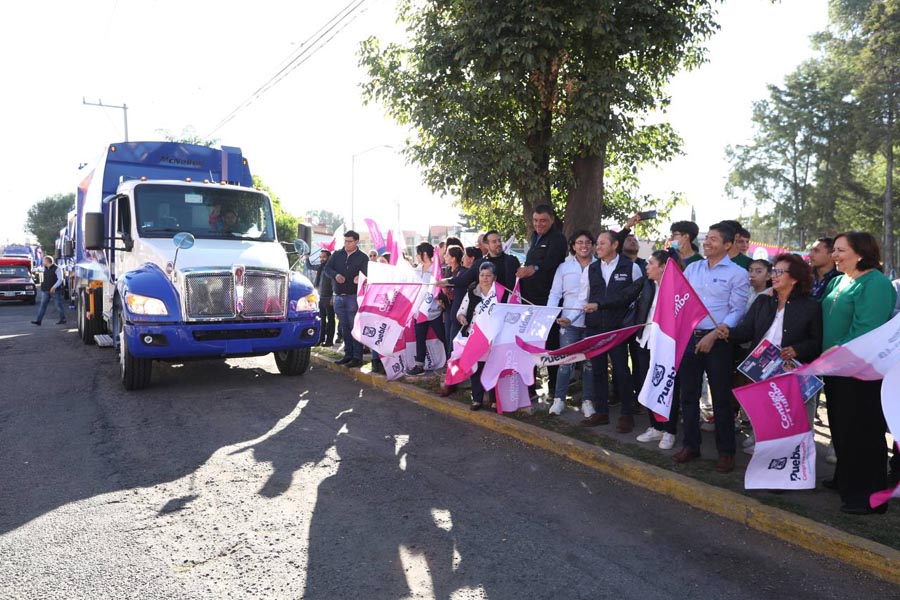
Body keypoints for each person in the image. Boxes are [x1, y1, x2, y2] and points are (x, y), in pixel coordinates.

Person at [820, 231, 895, 515]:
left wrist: (835, 350)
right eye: (834, 250)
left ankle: (869, 496)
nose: (834, 255)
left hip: (861, 371)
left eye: (840, 250)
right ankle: (846, 481)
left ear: (861, 254)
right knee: (841, 428)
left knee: (863, 432)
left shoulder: (875, 283)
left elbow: (867, 329)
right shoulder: (839, 280)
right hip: (834, 368)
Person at [718, 253, 823, 453]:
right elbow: (747, 331)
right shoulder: (762, 301)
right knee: (765, 412)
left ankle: (797, 456)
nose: (774, 275)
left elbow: (816, 341)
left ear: (795, 277)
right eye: (774, 270)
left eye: (780, 272)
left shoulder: (811, 306)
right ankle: (766, 449)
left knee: (795, 417)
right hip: (762, 367)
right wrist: (728, 333)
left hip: (794, 369)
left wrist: (797, 349)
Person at [674, 222, 749, 473]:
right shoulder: (693, 268)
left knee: (721, 399)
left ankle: (726, 452)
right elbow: (681, 301)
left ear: (728, 245)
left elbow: (737, 309)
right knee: (689, 395)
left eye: (714, 239)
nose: (707, 242)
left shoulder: (738, 273)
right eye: (707, 238)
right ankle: (691, 445)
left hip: (719, 341)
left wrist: (715, 335)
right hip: (689, 338)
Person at [580, 230, 644, 432]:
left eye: (601, 243)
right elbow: (583, 299)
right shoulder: (591, 268)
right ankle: (601, 412)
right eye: (596, 244)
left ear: (615, 245)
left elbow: (635, 297)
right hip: (594, 328)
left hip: (618, 329)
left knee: (622, 372)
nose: (596, 247)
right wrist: (571, 318)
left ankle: (627, 414)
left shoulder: (631, 268)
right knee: (597, 371)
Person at [517, 204, 568, 397]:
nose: (539, 224)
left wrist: (534, 269)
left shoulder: (558, 239)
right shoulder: (533, 236)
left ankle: (555, 390)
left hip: (549, 301)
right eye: (536, 221)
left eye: (543, 220)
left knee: (551, 344)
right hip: (529, 301)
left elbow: (553, 262)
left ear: (552, 220)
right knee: (531, 343)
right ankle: (530, 387)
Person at [633, 250, 681, 449]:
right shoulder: (647, 284)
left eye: (651, 263)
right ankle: (655, 427)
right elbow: (625, 295)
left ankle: (670, 431)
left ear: (663, 267)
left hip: (666, 347)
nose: (647, 266)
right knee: (649, 384)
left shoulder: (677, 290)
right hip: (645, 341)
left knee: (668, 387)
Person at [547, 230, 597, 418]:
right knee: (565, 363)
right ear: (573, 246)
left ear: (592, 245)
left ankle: (587, 401)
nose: (584, 246)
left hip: (592, 323)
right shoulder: (564, 268)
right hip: (568, 323)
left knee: (589, 364)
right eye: (579, 242)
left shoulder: (599, 266)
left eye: (587, 242)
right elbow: (555, 294)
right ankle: (559, 399)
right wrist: (551, 315)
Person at [457, 262, 500, 410]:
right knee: (476, 368)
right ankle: (477, 399)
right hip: (475, 336)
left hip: (494, 337)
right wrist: (461, 317)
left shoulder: (500, 294)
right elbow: (461, 311)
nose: (485, 278)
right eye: (482, 275)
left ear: (494, 277)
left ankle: (495, 399)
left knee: (493, 368)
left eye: (488, 275)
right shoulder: (472, 292)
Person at [323, 230, 369, 368]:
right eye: (345, 241)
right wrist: (335, 275)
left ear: (356, 242)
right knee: (344, 328)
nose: (346, 244)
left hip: (353, 297)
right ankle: (348, 354)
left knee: (354, 326)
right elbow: (327, 269)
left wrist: (360, 278)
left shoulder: (363, 257)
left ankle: (357, 357)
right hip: (338, 296)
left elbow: (367, 274)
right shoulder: (337, 254)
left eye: (349, 241)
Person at [407, 242, 447, 376]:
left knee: (444, 336)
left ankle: (452, 362)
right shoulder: (417, 269)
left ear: (424, 254)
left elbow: (441, 289)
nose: (416, 256)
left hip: (434, 311)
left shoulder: (436, 270)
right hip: (419, 312)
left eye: (418, 254)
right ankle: (419, 365)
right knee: (420, 337)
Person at [31, 256, 66, 325]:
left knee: (58, 305)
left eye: (44, 261)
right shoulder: (45, 268)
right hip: (45, 290)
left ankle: (63, 319)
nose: (43, 262)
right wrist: (33, 270)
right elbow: (39, 269)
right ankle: (38, 321)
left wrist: (54, 287)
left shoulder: (57, 269)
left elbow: (60, 280)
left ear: (47, 261)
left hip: (55, 291)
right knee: (42, 305)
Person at [313, 249, 335, 346]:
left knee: (330, 319)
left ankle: (329, 341)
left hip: (329, 297)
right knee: (321, 319)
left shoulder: (332, 268)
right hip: (320, 296)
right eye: (320, 257)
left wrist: (333, 297)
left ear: (329, 257)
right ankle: (321, 339)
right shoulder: (321, 267)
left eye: (324, 257)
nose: (322, 259)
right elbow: (309, 266)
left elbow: (334, 283)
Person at [809, 237, 839, 301]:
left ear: (831, 255)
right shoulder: (804, 276)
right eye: (811, 250)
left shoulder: (840, 279)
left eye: (816, 251)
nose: (810, 255)